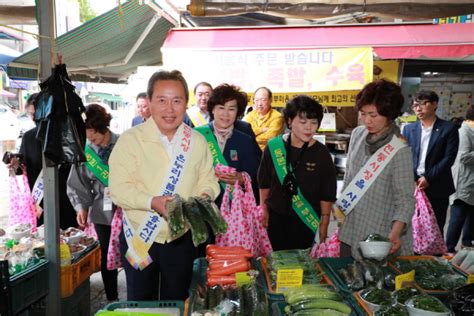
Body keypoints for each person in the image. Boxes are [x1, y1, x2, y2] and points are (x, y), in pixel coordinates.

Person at [108, 70, 219, 301]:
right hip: (139, 238)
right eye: (161, 100)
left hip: (182, 238)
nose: (169, 109)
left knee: (177, 300)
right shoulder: (130, 140)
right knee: (141, 302)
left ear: (186, 104)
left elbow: (208, 179)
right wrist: (152, 202)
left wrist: (206, 196)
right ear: (149, 102)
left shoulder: (197, 141)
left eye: (177, 101)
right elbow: (118, 189)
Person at [338, 79, 415, 259]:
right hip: (350, 228)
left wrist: (395, 233)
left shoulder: (399, 148)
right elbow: (349, 176)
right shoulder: (358, 134)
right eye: (363, 114)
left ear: (389, 114)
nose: (367, 120)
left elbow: (405, 200)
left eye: (373, 115)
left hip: (379, 235)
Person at [258, 95, 337, 251]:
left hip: (306, 221)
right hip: (276, 219)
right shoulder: (273, 147)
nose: (309, 128)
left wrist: (325, 222)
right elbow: (264, 182)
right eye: (303, 122)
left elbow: (327, 193)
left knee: (303, 268)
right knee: (277, 264)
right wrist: (264, 209)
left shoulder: (321, 153)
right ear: (289, 121)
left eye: (314, 122)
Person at [66, 104, 119, 301]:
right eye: (86, 133)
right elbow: (77, 183)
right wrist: (81, 207)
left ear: (103, 126)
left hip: (129, 210)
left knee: (134, 253)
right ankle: (112, 298)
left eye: (93, 132)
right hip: (101, 212)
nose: (90, 138)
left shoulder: (124, 143)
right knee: (106, 255)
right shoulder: (85, 152)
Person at [6, 93, 77, 229]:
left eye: (36, 114)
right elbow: (23, 167)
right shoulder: (28, 137)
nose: (33, 118)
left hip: (65, 197)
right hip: (39, 200)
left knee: (68, 237)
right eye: (30, 114)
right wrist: (15, 166)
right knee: (41, 237)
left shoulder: (64, 135)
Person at [402, 90, 459, 235]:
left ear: (434, 104)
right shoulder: (409, 129)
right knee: (411, 228)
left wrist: (428, 178)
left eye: (423, 104)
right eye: (415, 105)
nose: (418, 109)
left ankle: (434, 258)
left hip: (437, 185)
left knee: (435, 228)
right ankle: (413, 257)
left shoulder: (448, 128)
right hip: (413, 186)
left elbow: (449, 158)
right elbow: (404, 156)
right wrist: (413, 178)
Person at [195, 83, 262, 206]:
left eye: (231, 109)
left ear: (238, 112)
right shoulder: (198, 136)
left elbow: (257, 172)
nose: (226, 114)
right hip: (203, 207)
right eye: (221, 107)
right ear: (212, 109)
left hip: (235, 211)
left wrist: (242, 178)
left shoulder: (245, 140)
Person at [446, 105, 474, 252]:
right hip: (463, 180)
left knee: (471, 214)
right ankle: (449, 248)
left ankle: (467, 243)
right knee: (458, 215)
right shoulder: (464, 131)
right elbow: (463, 156)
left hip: (471, 181)